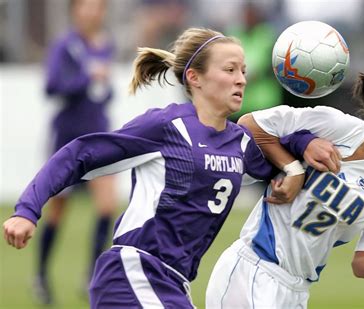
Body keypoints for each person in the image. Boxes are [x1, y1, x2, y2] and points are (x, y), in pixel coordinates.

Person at [3, 27, 315, 309]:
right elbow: (78, 154)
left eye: (243, 71)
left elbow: (283, 151)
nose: (241, 79)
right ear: (194, 77)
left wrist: (304, 146)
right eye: (230, 69)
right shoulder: (166, 126)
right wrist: (27, 210)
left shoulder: (240, 143)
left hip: (173, 283)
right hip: (133, 272)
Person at [206, 63, 364, 309]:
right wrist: (295, 167)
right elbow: (250, 124)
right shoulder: (334, 125)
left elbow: (363, 264)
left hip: (297, 291)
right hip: (254, 270)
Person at [35, 0, 118, 304]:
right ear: (75, 10)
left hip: (99, 136)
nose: (92, 12)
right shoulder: (65, 46)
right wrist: (87, 78)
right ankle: (41, 275)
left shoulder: (106, 44)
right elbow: (52, 86)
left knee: (107, 206)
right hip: (68, 139)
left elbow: (104, 93)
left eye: (98, 7)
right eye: (87, 6)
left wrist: (104, 87)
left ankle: (91, 276)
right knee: (58, 210)